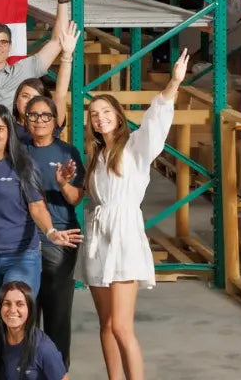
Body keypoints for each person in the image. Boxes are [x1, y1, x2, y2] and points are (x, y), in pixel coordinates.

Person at [78, 50, 190, 380]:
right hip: (98, 239)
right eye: (94, 114)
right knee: (105, 325)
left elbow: (157, 121)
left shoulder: (136, 146)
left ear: (118, 113)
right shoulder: (96, 157)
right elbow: (90, 198)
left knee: (121, 327)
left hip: (124, 238)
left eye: (105, 111)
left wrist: (174, 83)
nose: (100, 118)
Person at [0, 105, 81, 333]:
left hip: (21, 258)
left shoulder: (23, 165)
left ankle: (21, 368)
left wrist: (50, 231)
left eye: (0, 128)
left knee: (15, 319)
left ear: (9, 132)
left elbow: (37, 207)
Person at [22, 95, 83, 368]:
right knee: (25, 309)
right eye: (33, 115)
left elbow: (75, 198)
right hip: (23, 238)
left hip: (61, 238)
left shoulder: (67, 152)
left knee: (57, 312)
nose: (39, 121)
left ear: (55, 120)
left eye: (45, 115)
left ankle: (58, 369)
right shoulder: (17, 150)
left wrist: (62, 183)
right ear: (25, 120)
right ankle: (26, 367)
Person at [0, 282, 68, 380]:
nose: (12, 310)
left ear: (30, 309)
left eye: (20, 304)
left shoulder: (44, 349)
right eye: (7, 304)